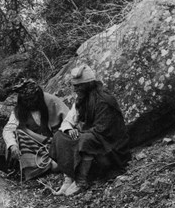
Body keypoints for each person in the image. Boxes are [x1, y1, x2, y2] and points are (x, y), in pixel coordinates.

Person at [49, 64, 131, 196]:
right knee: (60, 136)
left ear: (88, 85)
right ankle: (68, 180)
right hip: (92, 137)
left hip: (110, 146)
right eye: (74, 86)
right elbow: (68, 121)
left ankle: (81, 181)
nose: (75, 89)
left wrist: (81, 134)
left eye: (78, 86)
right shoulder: (81, 100)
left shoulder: (104, 100)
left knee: (84, 140)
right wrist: (69, 130)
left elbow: (103, 130)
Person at [2, 79, 69, 180]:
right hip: (34, 145)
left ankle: (52, 164)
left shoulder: (51, 101)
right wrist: (12, 145)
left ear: (39, 97)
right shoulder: (19, 109)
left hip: (55, 142)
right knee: (18, 134)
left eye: (32, 100)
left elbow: (69, 119)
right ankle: (45, 165)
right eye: (26, 101)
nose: (29, 103)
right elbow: (8, 129)